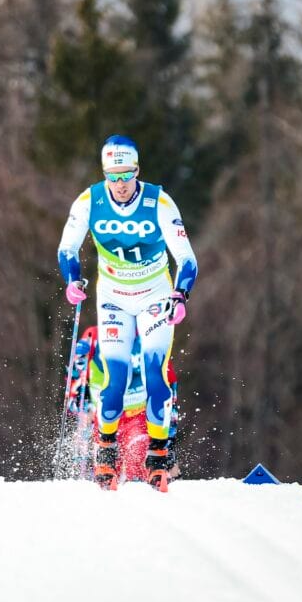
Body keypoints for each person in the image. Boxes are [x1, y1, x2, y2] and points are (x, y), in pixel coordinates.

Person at [57, 135, 197, 492]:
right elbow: (67, 248)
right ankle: (105, 451)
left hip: (155, 296)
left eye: (126, 175)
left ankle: (158, 455)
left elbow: (187, 258)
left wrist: (180, 295)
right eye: (112, 176)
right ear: (104, 174)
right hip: (114, 298)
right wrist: (72, 280)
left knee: (154, 374)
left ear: (137, 171)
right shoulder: (89, 201)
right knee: (115, 379)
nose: (120, 184)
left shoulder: (159, 202)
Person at [69, 326, 182, 484]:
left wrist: (168, 440)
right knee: (103, 478)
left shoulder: (149, 336)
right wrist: (78, 364)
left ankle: (140, 488)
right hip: (103, 421)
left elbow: (167, 390)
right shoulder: (94, 337)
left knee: (136, 465)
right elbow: (74, 396)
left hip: (138, 418)